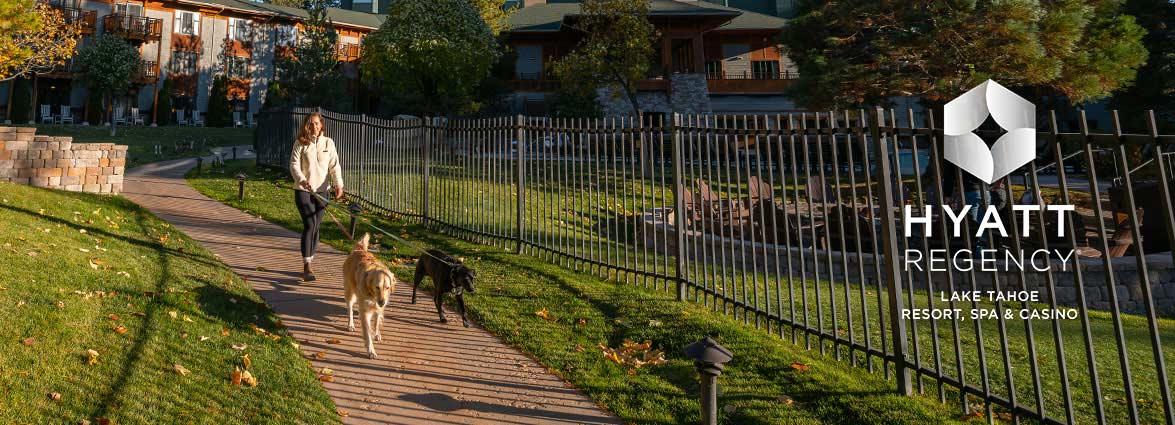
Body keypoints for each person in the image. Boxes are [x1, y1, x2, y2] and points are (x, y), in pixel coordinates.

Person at [290, 112, 344, 281]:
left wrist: (338, 184)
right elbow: (293, 165)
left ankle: (310, 260)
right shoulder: (300, 143)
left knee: (316, 227)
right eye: (310, 124)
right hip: (304, 191)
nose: (314, 126)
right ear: (306, 126)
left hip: (323, 192)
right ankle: (307, 267)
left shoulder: (328, 143)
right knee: (310, 225)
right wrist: (302, 180)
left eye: (317, 123)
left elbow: (334, 165)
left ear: (322, 125)